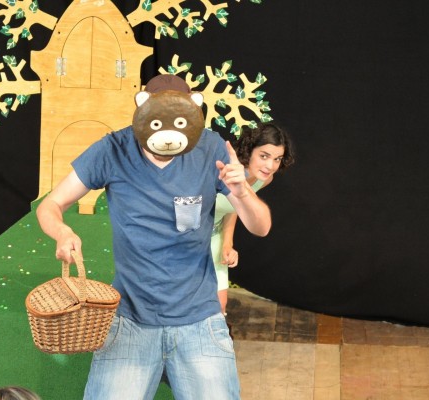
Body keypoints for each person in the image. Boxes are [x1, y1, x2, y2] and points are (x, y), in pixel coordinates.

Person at [35, 74, 271, 400]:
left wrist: (242, 192)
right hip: (130, 318)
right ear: (142, 111)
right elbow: (50, 204)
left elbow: (261, 226)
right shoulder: (114, 149)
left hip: (199, 318)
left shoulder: (211, 147)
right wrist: (62, 231)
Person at [211, 123, 295, 315]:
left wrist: (227, 243)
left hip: (214, 236)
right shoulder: (224, 168)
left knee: (219, 306)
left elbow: (235, 207)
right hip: (189, 237)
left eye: (277, 159)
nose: (270, 166)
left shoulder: (264, 179)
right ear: (249, 150)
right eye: (264, 156)